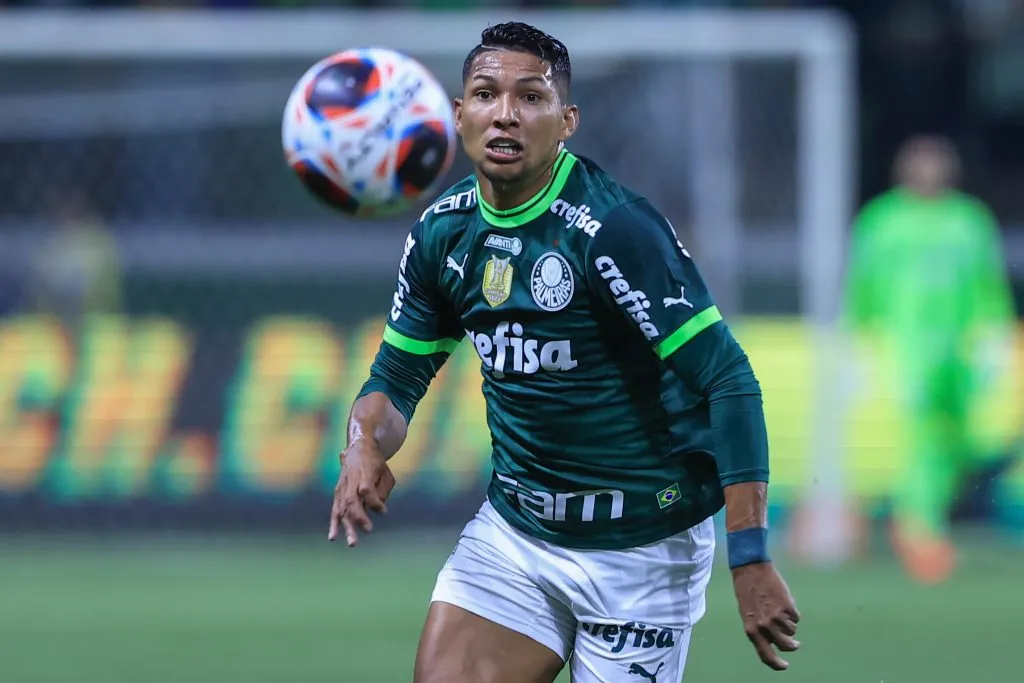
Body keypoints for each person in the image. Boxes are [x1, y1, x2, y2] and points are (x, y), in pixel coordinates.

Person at [328, 22, 800, 682]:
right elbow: (398, 376)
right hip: (518, 535)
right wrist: (363, 442)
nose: (505, 115)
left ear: (566, 120)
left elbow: (728, 378)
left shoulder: (612, 229)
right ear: (459, 114)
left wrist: (748, 555)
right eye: (487, 95)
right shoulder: (444, 234)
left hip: (641, 547)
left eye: (531, 98)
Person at [843, 134, 1016, 583]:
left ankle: (912, 516)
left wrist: (993, 335)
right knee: (916, 440)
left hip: (957, 350)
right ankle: (917, 528)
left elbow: (987, 283)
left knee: (961, 439)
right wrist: (859, 342)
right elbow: (861, 287)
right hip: (904, 348)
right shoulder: (881, 221)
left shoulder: (968, 220)